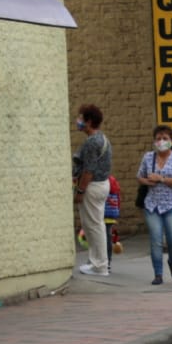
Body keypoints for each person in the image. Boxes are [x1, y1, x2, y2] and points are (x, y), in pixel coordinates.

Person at [137, 124, 172, 286]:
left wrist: (161, 179)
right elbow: (140, 177)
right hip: (152, 205)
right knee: (156, 239)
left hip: (171, 205)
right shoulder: (148, 157)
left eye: (165, 138)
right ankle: (158, 274)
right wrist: (147, 181)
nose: (161, 141)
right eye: (158, 138)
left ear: (171, 140)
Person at [72, 104, 113, 276]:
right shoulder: (102, 138)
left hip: (92, 187)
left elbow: (88, 170)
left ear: (89, 121)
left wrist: (80, 191)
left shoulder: (91, 143)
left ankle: (100, 265)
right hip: (102, 185)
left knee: (94, 226)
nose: (78, 121)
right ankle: (95, 260)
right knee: (95, 225)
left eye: (81, 118)